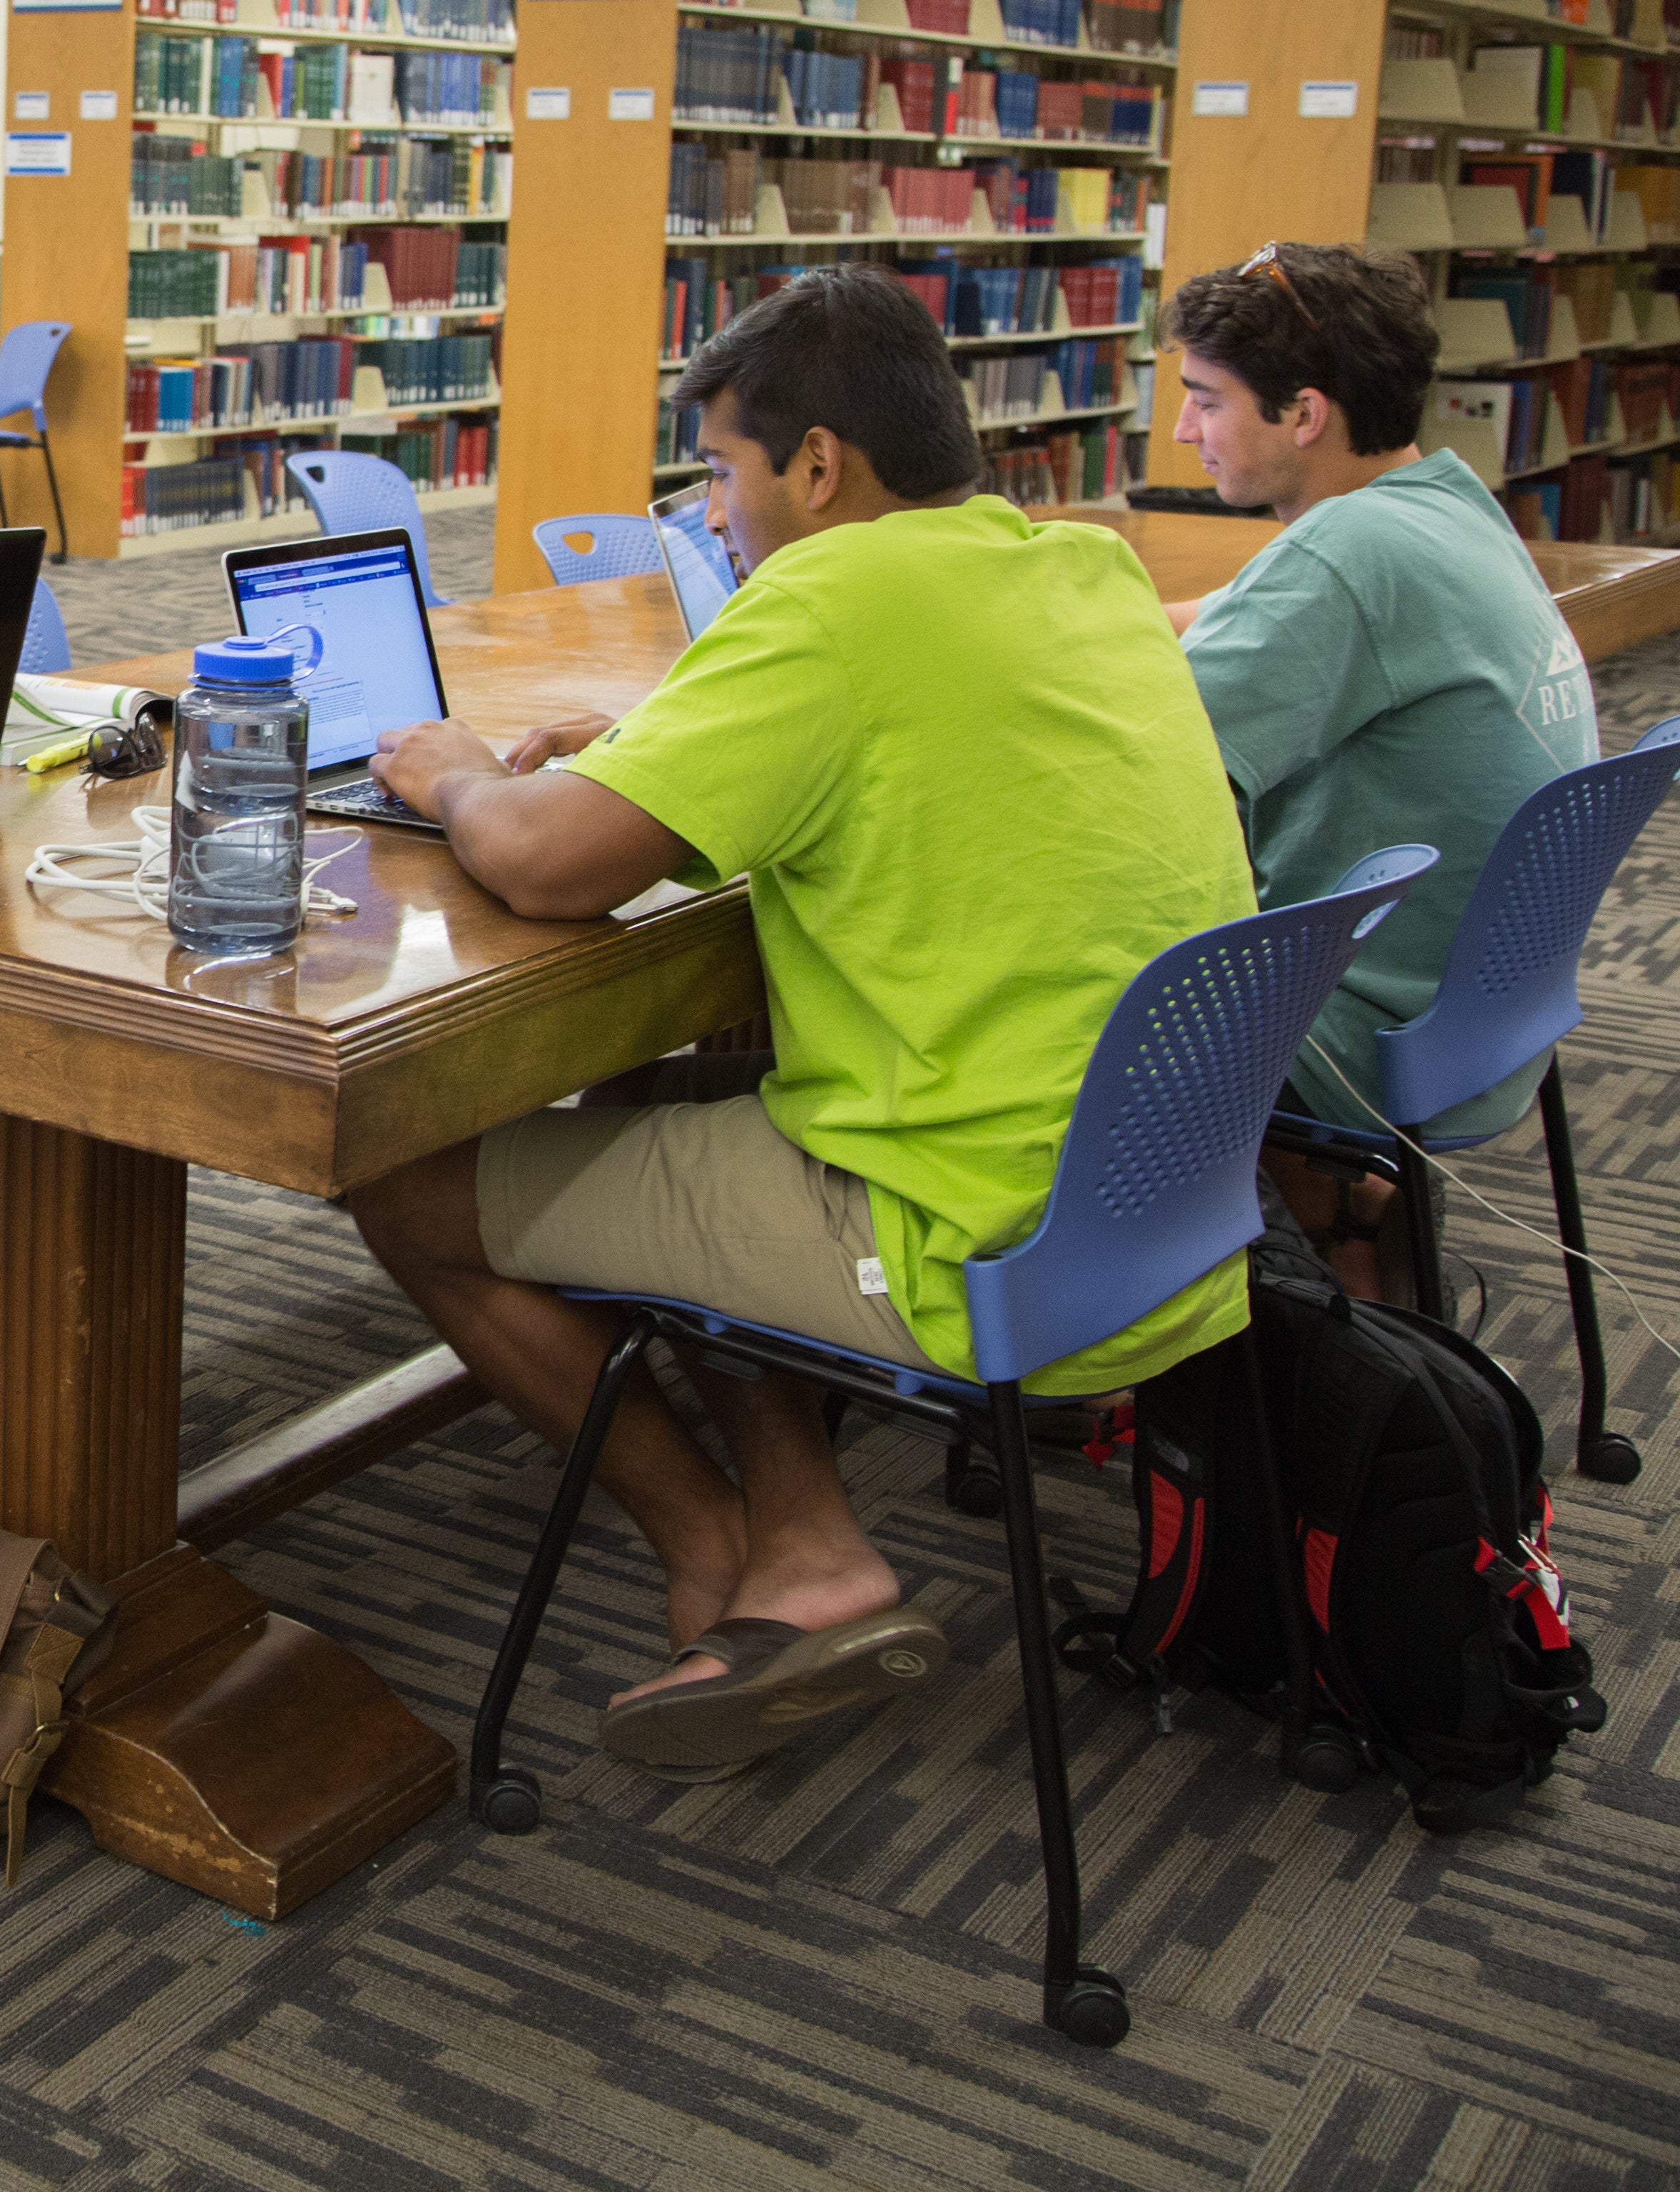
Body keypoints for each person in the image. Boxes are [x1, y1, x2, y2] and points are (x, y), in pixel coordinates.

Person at [345, 267, 1259, 1779]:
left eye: (721, 470)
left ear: (818, 465)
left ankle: (713, 1545)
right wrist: (666, 739)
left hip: (972, 1240)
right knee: (722, 1090)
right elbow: (909, 743)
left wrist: (449, 772)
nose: (713, 514)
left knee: (395, 1173)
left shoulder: (826, 600)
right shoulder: (1079, 566)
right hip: (1164, 1208)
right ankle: (808, 1536)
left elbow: (547, 867)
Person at [1161, 243, 1599, 1296]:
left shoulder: (1342, 559)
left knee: (1032, 962)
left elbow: (1142, 767)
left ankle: (1100, 1340)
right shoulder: (1439, 503)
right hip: (1483, 1005)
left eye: (1206, 401)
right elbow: (1222, 625)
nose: (1182, 433)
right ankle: (1343, 1206)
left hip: (1358, 1025)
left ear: (1304, 414)